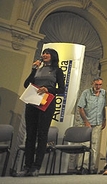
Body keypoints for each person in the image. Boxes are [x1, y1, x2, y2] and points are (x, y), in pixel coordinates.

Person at [16, 48, 65, 177]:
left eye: (47, 53)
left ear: (53, 56)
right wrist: (33, 69)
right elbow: (27, 84)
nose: (44, 55)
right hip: (32, 102)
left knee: (42, 134)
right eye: (43, 53)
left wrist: (48, 88)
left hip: (46, 103)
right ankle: (27, 166)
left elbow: (61, 89)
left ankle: (36, 167)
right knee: (30, 134)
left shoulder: (57, 71)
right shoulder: (37, 69)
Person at [76, 77, 107, 174]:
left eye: (100, 85)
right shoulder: (86, 93)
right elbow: (81, 108)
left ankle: (92, 167)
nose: (98, 87)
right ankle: (82, 167)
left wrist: (104, 119)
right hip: (87, 122)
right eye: (96, 84)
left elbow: (103, 107)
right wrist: (86, 121)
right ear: (92, 84)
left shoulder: (103, 93)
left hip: (98, 122)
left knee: (94, 145)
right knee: (85, 145)